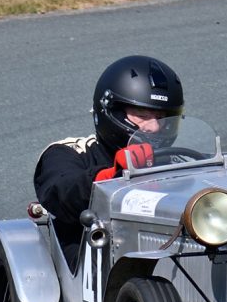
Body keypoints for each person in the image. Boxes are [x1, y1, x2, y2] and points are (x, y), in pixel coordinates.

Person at [34, 55, 185, 250]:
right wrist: (114, 174)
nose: (154, 127)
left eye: (162, 117)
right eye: (142, 116)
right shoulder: (67, 152)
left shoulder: (176, 161)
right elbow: (61, 192)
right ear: (111, 111)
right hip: (94, 259)